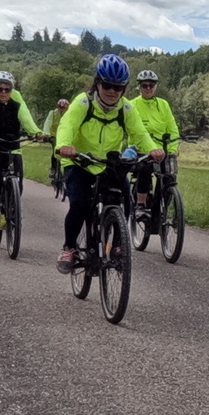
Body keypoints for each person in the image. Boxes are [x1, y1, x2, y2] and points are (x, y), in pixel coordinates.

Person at [54, 54, 163, 272]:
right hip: (79, 161)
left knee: (125, 200)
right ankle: (69, 247)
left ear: (124, 88)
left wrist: (153, 148)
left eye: (118, 87)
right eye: (107, 85)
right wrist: (65, 145)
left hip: (107, 164)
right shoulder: (83, 103)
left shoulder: (126, 109)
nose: (112, 91)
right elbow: (67, 124)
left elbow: (139, 132)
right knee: (80, 203)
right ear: (97, 83)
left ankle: (118, 245)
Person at [0, 71, 41, 221]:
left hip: (12, 144)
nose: (3, 92)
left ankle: (12, 205)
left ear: (12, 90)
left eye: (7, 89)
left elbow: (25, 117)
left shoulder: (17, 102)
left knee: (18, 176)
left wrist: (36, 132)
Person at [129, 70, 180, 215]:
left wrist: (172, 149)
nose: (148, 88)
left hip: (162, 151)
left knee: (170, 175)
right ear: (139, 87)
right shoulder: (132, 105)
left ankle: (163, 205)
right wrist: (147, 147)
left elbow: (172, 128)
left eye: (151, 85)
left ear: (155, 86)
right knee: (145, 168)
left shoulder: (163, 105)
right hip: (140, 150)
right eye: (144, 85)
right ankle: (140, 204)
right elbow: (134, 131)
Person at [42, 97, 71, 188]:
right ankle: (53, 169)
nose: (61, 110)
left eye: (63, 109)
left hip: (65, 136)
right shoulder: (53, 113)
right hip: (54, 135)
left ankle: (66, 172)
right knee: (55, 151)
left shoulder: (69, 114)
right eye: (60, 108)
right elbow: (48, 123)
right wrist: (46, 134)